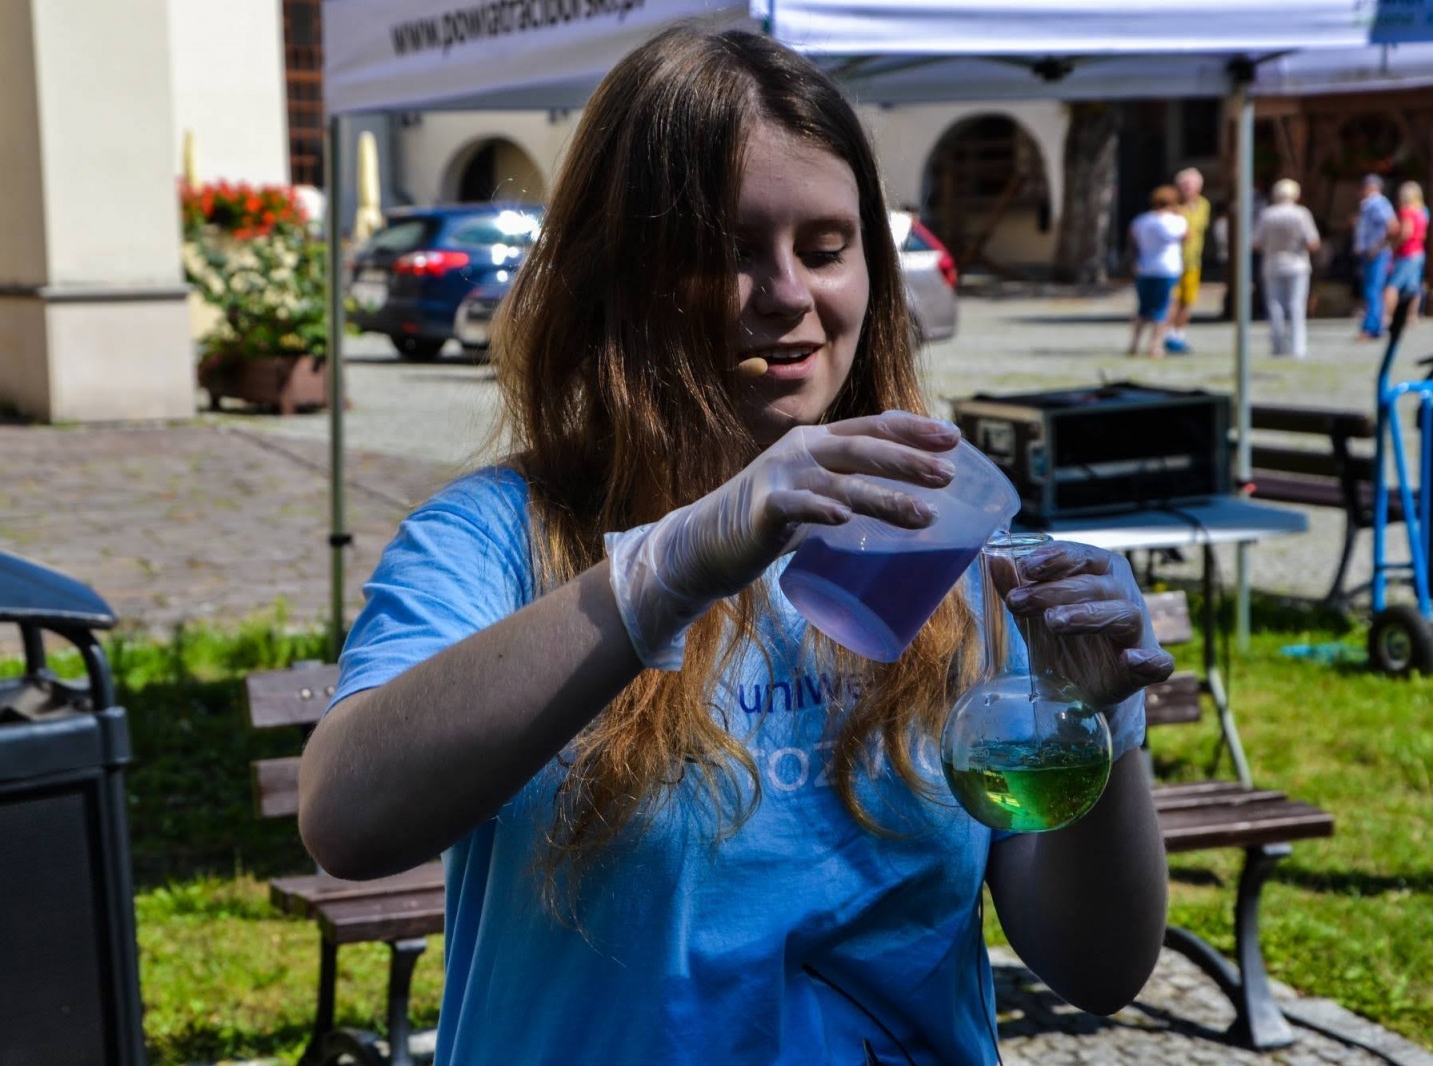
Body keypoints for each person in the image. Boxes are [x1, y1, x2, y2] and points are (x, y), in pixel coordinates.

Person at [298, 26, 1173, 1066]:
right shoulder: (499, 534)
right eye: (727, 252)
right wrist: (669, 564)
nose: (791, 295)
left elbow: (1097, 965)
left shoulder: (933, 549)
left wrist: (1101, 730)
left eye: (825, 246)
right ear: (619, 277)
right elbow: (348, 819)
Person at [1252, 178, 1321, 358]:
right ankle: (1298, 347)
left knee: (1275, 305)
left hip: (1273, 263)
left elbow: (1257, 243)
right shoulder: (1301, 214)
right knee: (1296, 305)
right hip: (1297, 264)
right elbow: (1313, 242)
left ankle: (1277, 346)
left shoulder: (1267, 215)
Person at [1127, 185, 1189, 358]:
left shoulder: (1142, 220)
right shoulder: (1176, 221)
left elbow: (1132, 239)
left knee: (1143, 308)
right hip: (1167, 269)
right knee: (1162, 308)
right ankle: (1155, 346)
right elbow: (1187, 236)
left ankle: (1134, 345)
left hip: (1144, 268)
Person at [1164, 167, 1211, 354]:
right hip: (1173, 262)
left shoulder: (1204, 205)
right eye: (1183, 185)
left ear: (1199, 187)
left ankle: (1179, 336)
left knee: (1187, 301)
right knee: (1172, 301)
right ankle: (1166, 336)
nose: (1186, 189)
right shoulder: (1173, 206)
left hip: (1193, 262)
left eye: (1190, 185)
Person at [1353, 173, 1399, 340]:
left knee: (1373, 290)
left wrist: (1377, 247)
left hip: (1376, 254)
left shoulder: (1378, 203)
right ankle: (1374, 326)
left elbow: (1393, 226)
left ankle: (1371, 328)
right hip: (1371, 253)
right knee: (1371, 290)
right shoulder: (1368, 205)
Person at [1383, 181, 1427, 330]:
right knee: (1413, 286)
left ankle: (1387, 315)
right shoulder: (1423, 212)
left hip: (1407, 253)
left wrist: (1393, 245)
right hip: (1419, 251)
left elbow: (1406, 232)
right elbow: (1424, 234)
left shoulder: (1406, 211)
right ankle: (1412, 315)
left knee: (1392, 286)